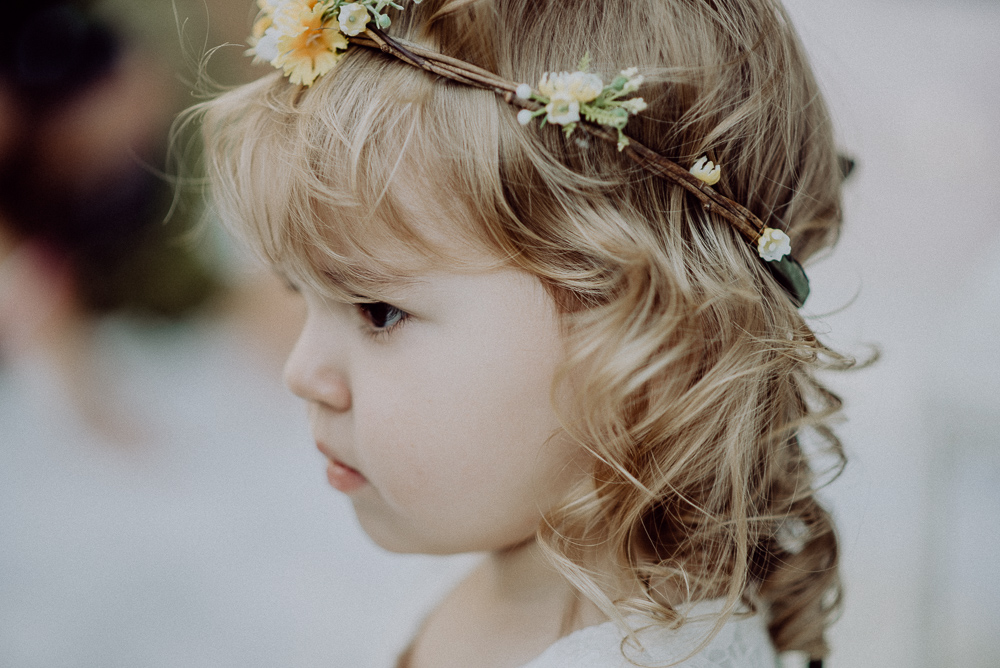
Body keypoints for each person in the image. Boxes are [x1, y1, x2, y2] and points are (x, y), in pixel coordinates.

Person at [194, 0, 854, 666]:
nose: (302, 372)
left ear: (649, 336)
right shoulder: (480, 568)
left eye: (377, 311)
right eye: (297, 292)